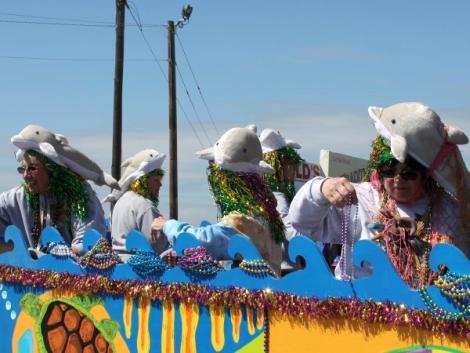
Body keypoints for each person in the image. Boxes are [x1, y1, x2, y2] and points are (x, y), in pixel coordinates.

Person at [288, 102, 470, 288]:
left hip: (426, 311)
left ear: (425, 175)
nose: (398, 180)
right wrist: (320, 188)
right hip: (362, 310)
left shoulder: (448, 210)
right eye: (388, 171)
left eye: (409, 173)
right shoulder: (360, 199)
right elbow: (301, 222)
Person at [153, 126, 285, 275]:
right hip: (270, 291)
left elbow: (200, 242)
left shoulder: (243, 219)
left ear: (225, 180)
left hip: (254, 295)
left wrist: (168, 225)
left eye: (214, 172)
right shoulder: (266, 209)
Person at [0, 124, 118, 255]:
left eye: (32, 168)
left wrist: (61, 252)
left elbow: (88, 244)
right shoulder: (18, 197)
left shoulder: (80, 196)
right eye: (23, 168)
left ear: (52, 169)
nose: (25, 175)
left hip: (70, 274)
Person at [106, 149, 168, 259]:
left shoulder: (120, 201)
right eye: (156, 180)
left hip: (117, 265)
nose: (160, 184)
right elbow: (157, 244)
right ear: (143, 180)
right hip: (141, 268)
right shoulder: (145, 205)